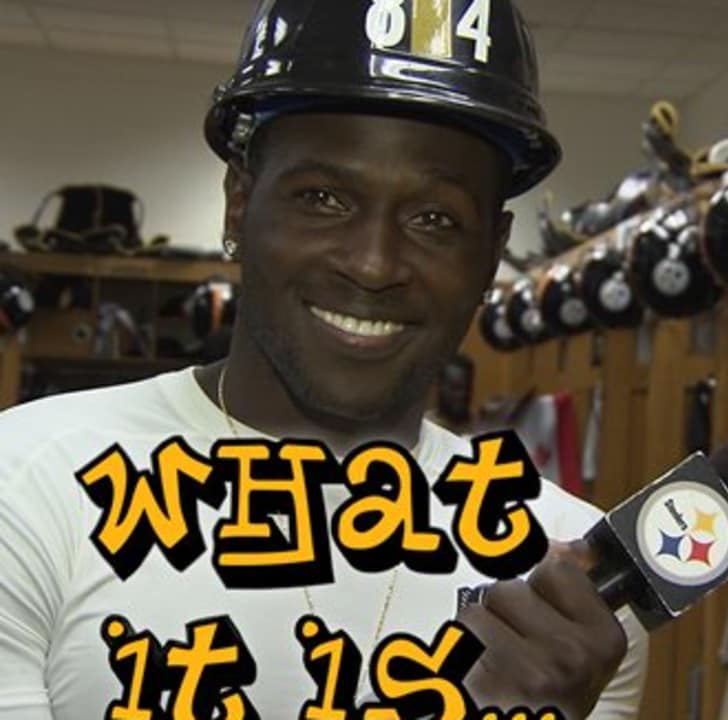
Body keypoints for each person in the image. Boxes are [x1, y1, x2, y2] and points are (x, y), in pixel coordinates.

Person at [0, 1, 647, 718]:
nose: (373, 264)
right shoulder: (28, 486)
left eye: (435, 219)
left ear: (491, 253)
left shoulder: (564, 586)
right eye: (323, 198)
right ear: (239, 204)